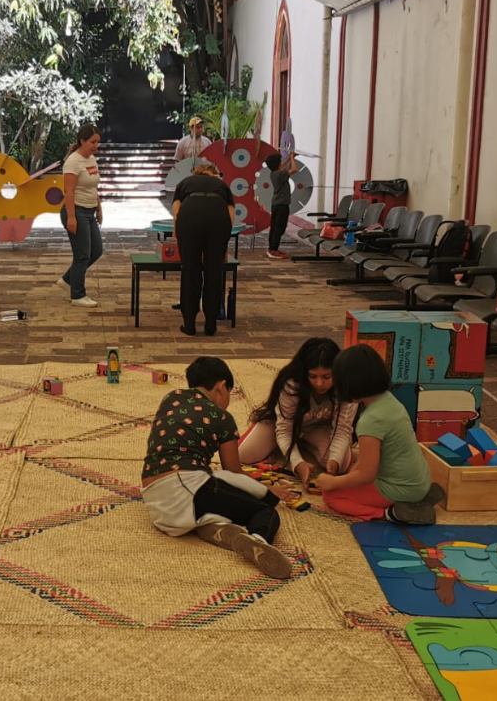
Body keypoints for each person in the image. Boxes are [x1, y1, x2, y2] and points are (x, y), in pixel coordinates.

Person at [141, 357, 298, 580]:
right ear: (222, 386)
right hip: (185, 489)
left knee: (217, 500)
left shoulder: (171, 398)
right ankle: (258, 541)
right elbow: (233, 470)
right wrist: (267, 491)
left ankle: (213, 527)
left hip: (155, 500)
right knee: (264, 511)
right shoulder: (222, 417)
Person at [315, 345, 445, 524]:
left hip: (401, 488)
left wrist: (333, 483)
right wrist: (349, 476)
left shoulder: (371, 420)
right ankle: (418, 499)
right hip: (420, 481)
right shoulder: (389, 400)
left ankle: (393, 513)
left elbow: (366, 474)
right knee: (351, 480)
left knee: (331, 497)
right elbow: (367, 461)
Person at [239, 338, 359, 483]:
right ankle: (290, 446)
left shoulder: (346, 387)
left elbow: (342, 430)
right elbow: (284, 429)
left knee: (341, 465)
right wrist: (297, 464)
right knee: (243, 455)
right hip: (284, 423)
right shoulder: (292, 385)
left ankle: (303, 444)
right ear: (304, 373)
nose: (320, 383)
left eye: (327, 377)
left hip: (319, 429)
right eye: (313, 376)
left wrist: (333, 463)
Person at [171, 164, 234, 336]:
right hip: (218, 220)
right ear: (214, 174)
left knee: (190, 270)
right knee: (214, 271)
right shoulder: (222, 186)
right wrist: (223, 239)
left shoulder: (185, 182)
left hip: (190, 219)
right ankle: (211, 325)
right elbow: (230, 213)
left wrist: (177, 231)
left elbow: (176, 209)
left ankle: (189, 324)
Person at [57, 123, 104, 307]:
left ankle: (68, 280)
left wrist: (99, 208)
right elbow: (68, 192)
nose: (95, 146)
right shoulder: (73, 162)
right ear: (82, 140)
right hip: (76, 210)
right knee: (82, 255)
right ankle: (77, 295)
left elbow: (93, 186)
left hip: (89, 210)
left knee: (96, 250)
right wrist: (71, 217)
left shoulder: (91, 159)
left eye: (98, 142)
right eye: (92, 142)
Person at [264, 153, 299, 260]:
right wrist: (292, 159)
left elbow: (281, 166)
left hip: (276, 204)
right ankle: (274, 250)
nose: (281, 164)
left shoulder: (274, 173)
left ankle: (272, 248)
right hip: (282, 205)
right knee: (279, 228)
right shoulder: (280, 175)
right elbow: (294, 169)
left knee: (274, 227)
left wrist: (289, 158)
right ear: (277, 165)